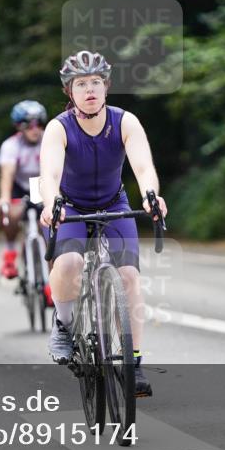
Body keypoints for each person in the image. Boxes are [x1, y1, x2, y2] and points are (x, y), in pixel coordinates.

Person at [39, 50, 168, 397]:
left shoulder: (126, 121)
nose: (90, 89)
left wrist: (151, 195)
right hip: (71, 206)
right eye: (81, 84)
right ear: (70, 92)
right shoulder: (58, 128)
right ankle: (64, 325)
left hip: (115, 203)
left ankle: (133, 363)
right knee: (69, 263)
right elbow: (50, 173)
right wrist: (52, 203)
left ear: (106, 87)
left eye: (96, 82)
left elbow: (142, 167)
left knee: (128, 276)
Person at [0, 100, 47, 281]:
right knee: (10, 214)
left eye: (39, 124)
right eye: (30, 125)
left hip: (41, 183)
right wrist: (4, 198)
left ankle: (47, 278)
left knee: (47, 225)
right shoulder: (11, 145)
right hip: (19, 185)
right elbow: (7, 174)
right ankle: (10, 254)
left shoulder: (48, 140)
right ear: (20, 127)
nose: (35, 129)